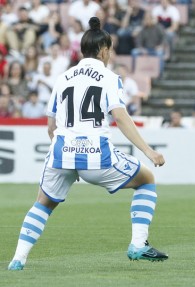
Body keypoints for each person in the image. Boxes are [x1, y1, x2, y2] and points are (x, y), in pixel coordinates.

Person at [7, 17, 168, 271]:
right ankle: (138, 245)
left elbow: (51, 127)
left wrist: (69, 152)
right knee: (147, 180)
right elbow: (121, 117)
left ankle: (18, 259)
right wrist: (148, 151)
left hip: (61, 153)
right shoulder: (109, 78)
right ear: (103, 50)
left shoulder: (63, 78)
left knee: (43, 203)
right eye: (110, 50)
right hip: (96, 155)